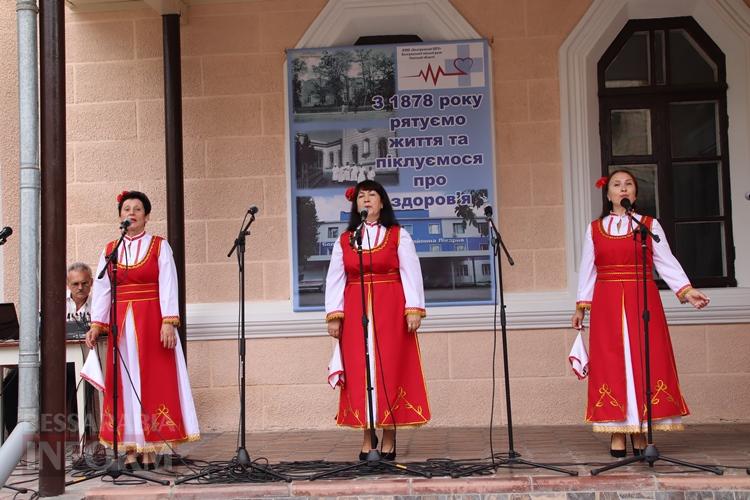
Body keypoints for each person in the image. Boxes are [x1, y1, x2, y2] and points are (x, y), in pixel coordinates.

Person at [571, 170, 710, 457]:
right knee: (612, 364)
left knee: (643, 361)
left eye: (628, 185)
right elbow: (588, 270)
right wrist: (581, 307)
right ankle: (617, 432)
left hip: (642, 299)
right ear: (608, 194)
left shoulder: (649, 225)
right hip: (607, 301)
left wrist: (686, 290)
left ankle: (640, 429)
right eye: (616, 185)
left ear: (635, 194)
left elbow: (666, 261)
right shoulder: (594, 229)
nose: (623, 189)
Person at [85, 190, 199, 470]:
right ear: (120, 216)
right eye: (126, 209)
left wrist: (168, 321)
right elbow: (102, 290)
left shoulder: (160, 246)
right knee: (122, 384)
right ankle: (129, 449)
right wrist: (96, 324)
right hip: (121, 324)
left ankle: (150, 448)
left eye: (137, 209)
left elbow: (169, 283)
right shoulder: (111, 249)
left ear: (146, 217)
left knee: (151, 380)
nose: (131, 213)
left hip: (151, 321)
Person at [325, 180, 430, 460]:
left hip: (391, 308)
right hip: (356, 308)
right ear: (355, 204)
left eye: (373, 195)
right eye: (362, 196)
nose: (367, 200)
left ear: (382, 202)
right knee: (361, 370)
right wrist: (334, 315)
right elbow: (335, 279)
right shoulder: (345, 240)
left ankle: (389, 434)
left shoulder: (397, 235)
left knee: (389, 368)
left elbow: (411, 272)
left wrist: (413, 309)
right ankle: (365, 434)